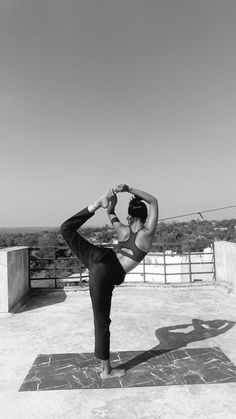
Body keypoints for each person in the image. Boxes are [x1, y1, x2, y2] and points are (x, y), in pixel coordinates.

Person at [60, 184, 158, 379]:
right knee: (102, 321)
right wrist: (129, 189)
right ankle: (106, 371)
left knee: (66, 229)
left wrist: (110, 202)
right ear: (145, 217)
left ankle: (95, 204)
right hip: (106, 272)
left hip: (98, 256)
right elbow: (153, 201)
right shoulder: (146, 235)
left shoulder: (122, 229)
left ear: (129, 216)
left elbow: (111, 212)